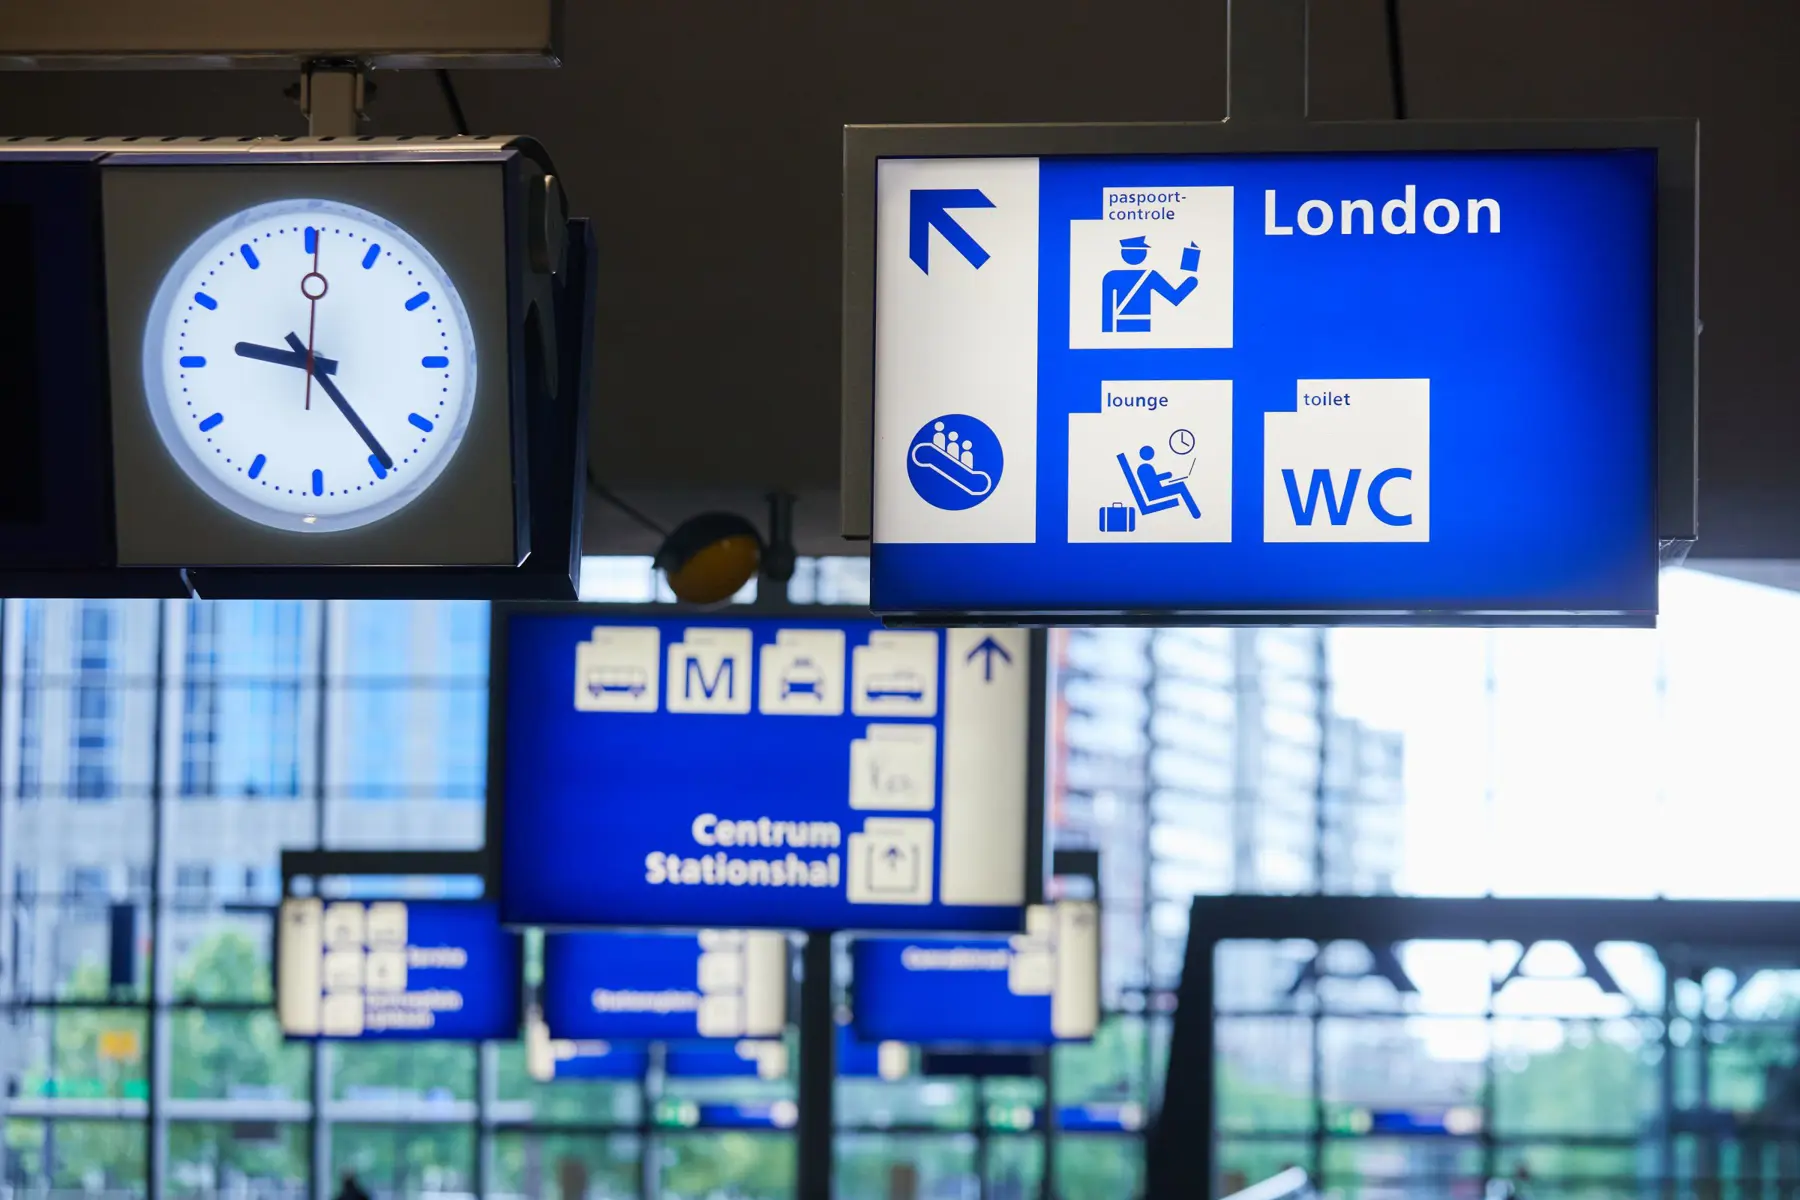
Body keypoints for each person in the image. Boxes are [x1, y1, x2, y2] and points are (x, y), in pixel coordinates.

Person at [1101, 235, 1199, 333]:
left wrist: (1107, 337)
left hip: (1120, 328)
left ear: (1123, 253)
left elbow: (1107, 314)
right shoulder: (1151, 276)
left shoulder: (1110, 277)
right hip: (1143, 326)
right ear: (1143, 254)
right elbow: (1176, 297)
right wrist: (1192, 278)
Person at [1131, 445, 1200, 518]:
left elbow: (1153, 480)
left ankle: (1195, 513)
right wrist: (1167, 475)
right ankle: (1195, 513)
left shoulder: (1143, 467)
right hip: (1155, 493)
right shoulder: (1145, 468)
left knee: (1180, 485)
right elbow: (1151, 482)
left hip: (1156, 490)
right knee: (1181, 487)